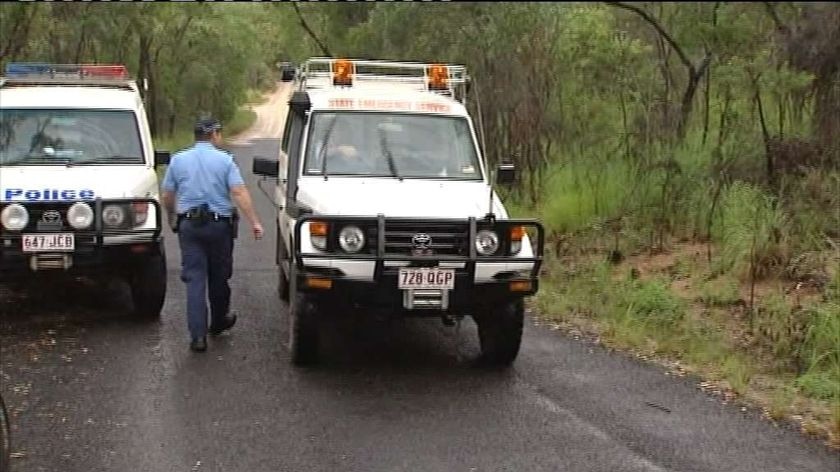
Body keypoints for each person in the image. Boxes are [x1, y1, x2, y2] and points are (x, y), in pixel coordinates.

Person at [161, 118, 264, 352]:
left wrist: (171, 217)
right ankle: (218, 322)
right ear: (215, 135)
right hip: (219, 227)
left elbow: (167, 194)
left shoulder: (178, 160)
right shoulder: (225, 160)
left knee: (195, 280)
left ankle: (198, 337)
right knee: (219, 277)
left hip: (189, 226)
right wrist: (255, 222)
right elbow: (238, 191)